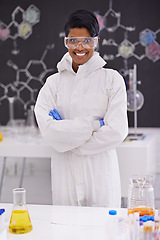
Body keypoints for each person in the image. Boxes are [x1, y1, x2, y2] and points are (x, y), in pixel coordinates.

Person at [34, 9, 128, 208]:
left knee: (104, 233)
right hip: (64, 177)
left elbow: (117, 131)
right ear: (66, 41)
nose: (80, 47)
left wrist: (66, 138)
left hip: (100, 176)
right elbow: (49, 132)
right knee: (66, 231)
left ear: (96, 42)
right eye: (73, 40)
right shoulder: (53, 83)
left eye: (87, 41)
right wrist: (94, 126)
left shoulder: (112, 80)